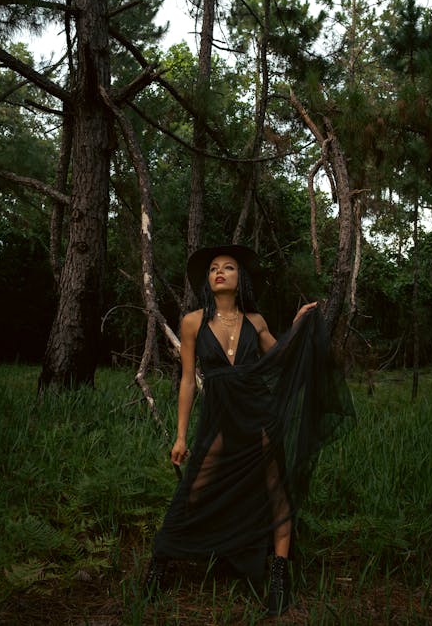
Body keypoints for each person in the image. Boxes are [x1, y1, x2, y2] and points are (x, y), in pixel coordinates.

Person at [144, 244, 355, 616]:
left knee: (277, 490)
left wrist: (297, 325)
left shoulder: (255, 322)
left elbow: (282, 358)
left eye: (228, 267)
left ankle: (278, 574)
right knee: (194, 487)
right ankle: (160, 562)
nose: (219, 272)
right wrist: (180, 435)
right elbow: (188, 381)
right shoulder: (192, 322)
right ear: (208, 280)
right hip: (220, 416)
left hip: (259, 412)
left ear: (241, 279)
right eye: (213, 268)